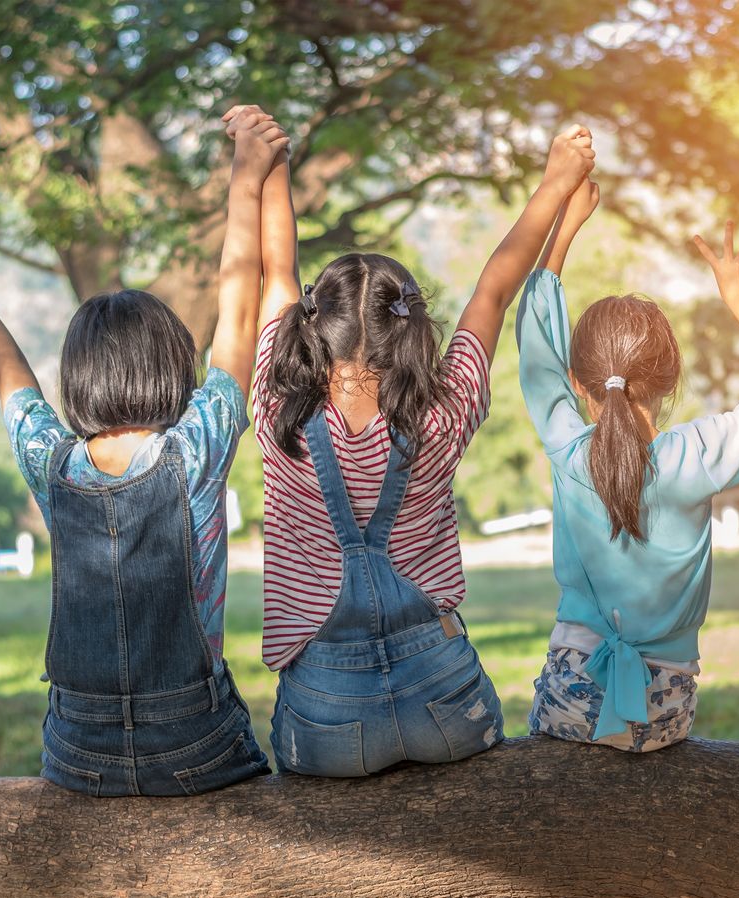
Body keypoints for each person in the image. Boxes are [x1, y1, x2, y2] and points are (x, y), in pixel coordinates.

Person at [0, 105, 288, 795]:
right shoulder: (196, 449)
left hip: (79, 755)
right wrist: (246, 174)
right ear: (173, 368)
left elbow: (6, 368)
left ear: (79, 378)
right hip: (193, 745)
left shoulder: (54, 467)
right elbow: (238, 305)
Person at [251, 119, 597, 775]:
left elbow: (276, 269)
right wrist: (556, 183)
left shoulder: (277, 410)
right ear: (409, 325)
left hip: (326, 719)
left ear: (314, 323)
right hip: (445, 703)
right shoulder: (444, 410)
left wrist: (270, 165)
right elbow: (494, 288)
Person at [519, 181, 739, 751]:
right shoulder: (696, 456)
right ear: (669, 382)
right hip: (665, 713)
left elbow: (536, 354)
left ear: (579, 384)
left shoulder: (567, 449)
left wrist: (563, 231)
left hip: (571, 700)